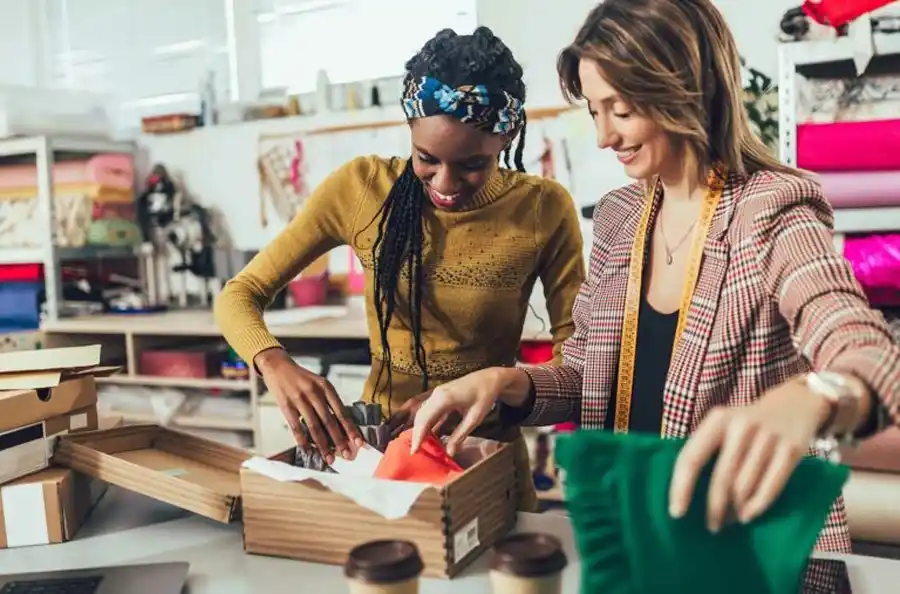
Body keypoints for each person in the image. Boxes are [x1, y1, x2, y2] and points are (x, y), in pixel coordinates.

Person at [410, 0, 900, 552]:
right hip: (639, 537)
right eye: (595, 112)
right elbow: (590, 382)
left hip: (751, 550)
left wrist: (815, 395)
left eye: (619, 109)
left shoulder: (772, 210)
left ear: (682, 88)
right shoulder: (620, 217)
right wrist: (505, 382)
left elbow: (868, 351)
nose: (603, 137)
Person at [214, 26, 586, 512]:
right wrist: (273, 363)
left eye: (473, 164)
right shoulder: (362, 189)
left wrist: (483, 396)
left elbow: (577, 368)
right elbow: (238, 295)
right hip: (380, 462)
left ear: (508, 134)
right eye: (426, 159)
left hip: (483, 462)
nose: (446, 183)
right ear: (409, 129)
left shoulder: (543, 209)